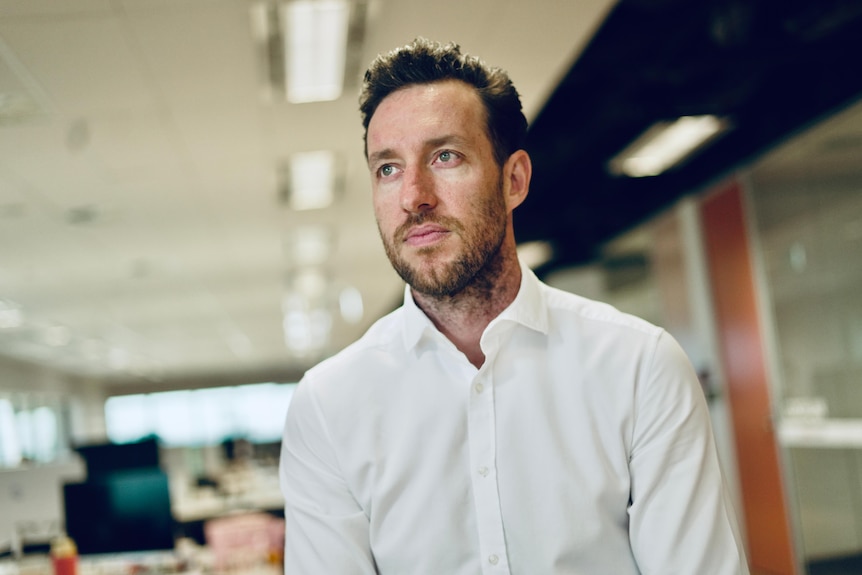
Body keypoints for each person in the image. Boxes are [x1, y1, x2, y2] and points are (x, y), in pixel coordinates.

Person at [279, 38, 749, 574]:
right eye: (387, 168)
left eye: (445, 156)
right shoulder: (329, 406)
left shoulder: (638, 367)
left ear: (514, 179)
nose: (414, 195)